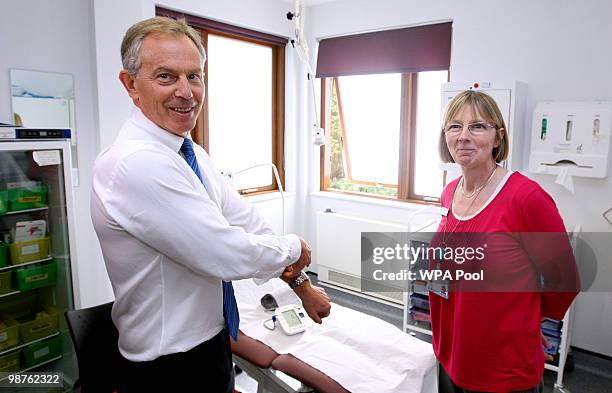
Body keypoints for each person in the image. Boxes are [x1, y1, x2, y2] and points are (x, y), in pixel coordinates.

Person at [90, 16, 330, 392]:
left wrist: (300, 283)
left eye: (195, 76)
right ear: (130, 84)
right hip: (167, 366)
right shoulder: (135, 163)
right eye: (166, 76)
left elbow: (245, 220)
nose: (186, 92)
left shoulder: (188, 152)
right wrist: (295, 246)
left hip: (211, 342)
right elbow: (223, 251)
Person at [429, 90, 579, 393]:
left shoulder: (526, 198)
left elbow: (564, 280)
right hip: (451, 353)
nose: (464, 136)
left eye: (478, 126)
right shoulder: (450, 192)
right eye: (455, 126)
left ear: (498, 138)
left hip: (502, 368)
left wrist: (529, 321)